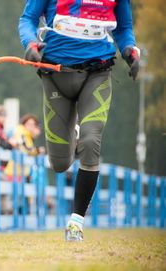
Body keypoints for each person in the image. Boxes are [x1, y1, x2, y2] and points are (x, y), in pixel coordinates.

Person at [19, 0, 140, 241]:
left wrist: (130, 50)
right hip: (55, 74)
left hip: (98, 73)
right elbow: (27, 19)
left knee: (91, 140)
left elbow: (124, 27)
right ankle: (73, 133)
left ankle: (76, 223)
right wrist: (30, 44)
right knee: (60, 164)